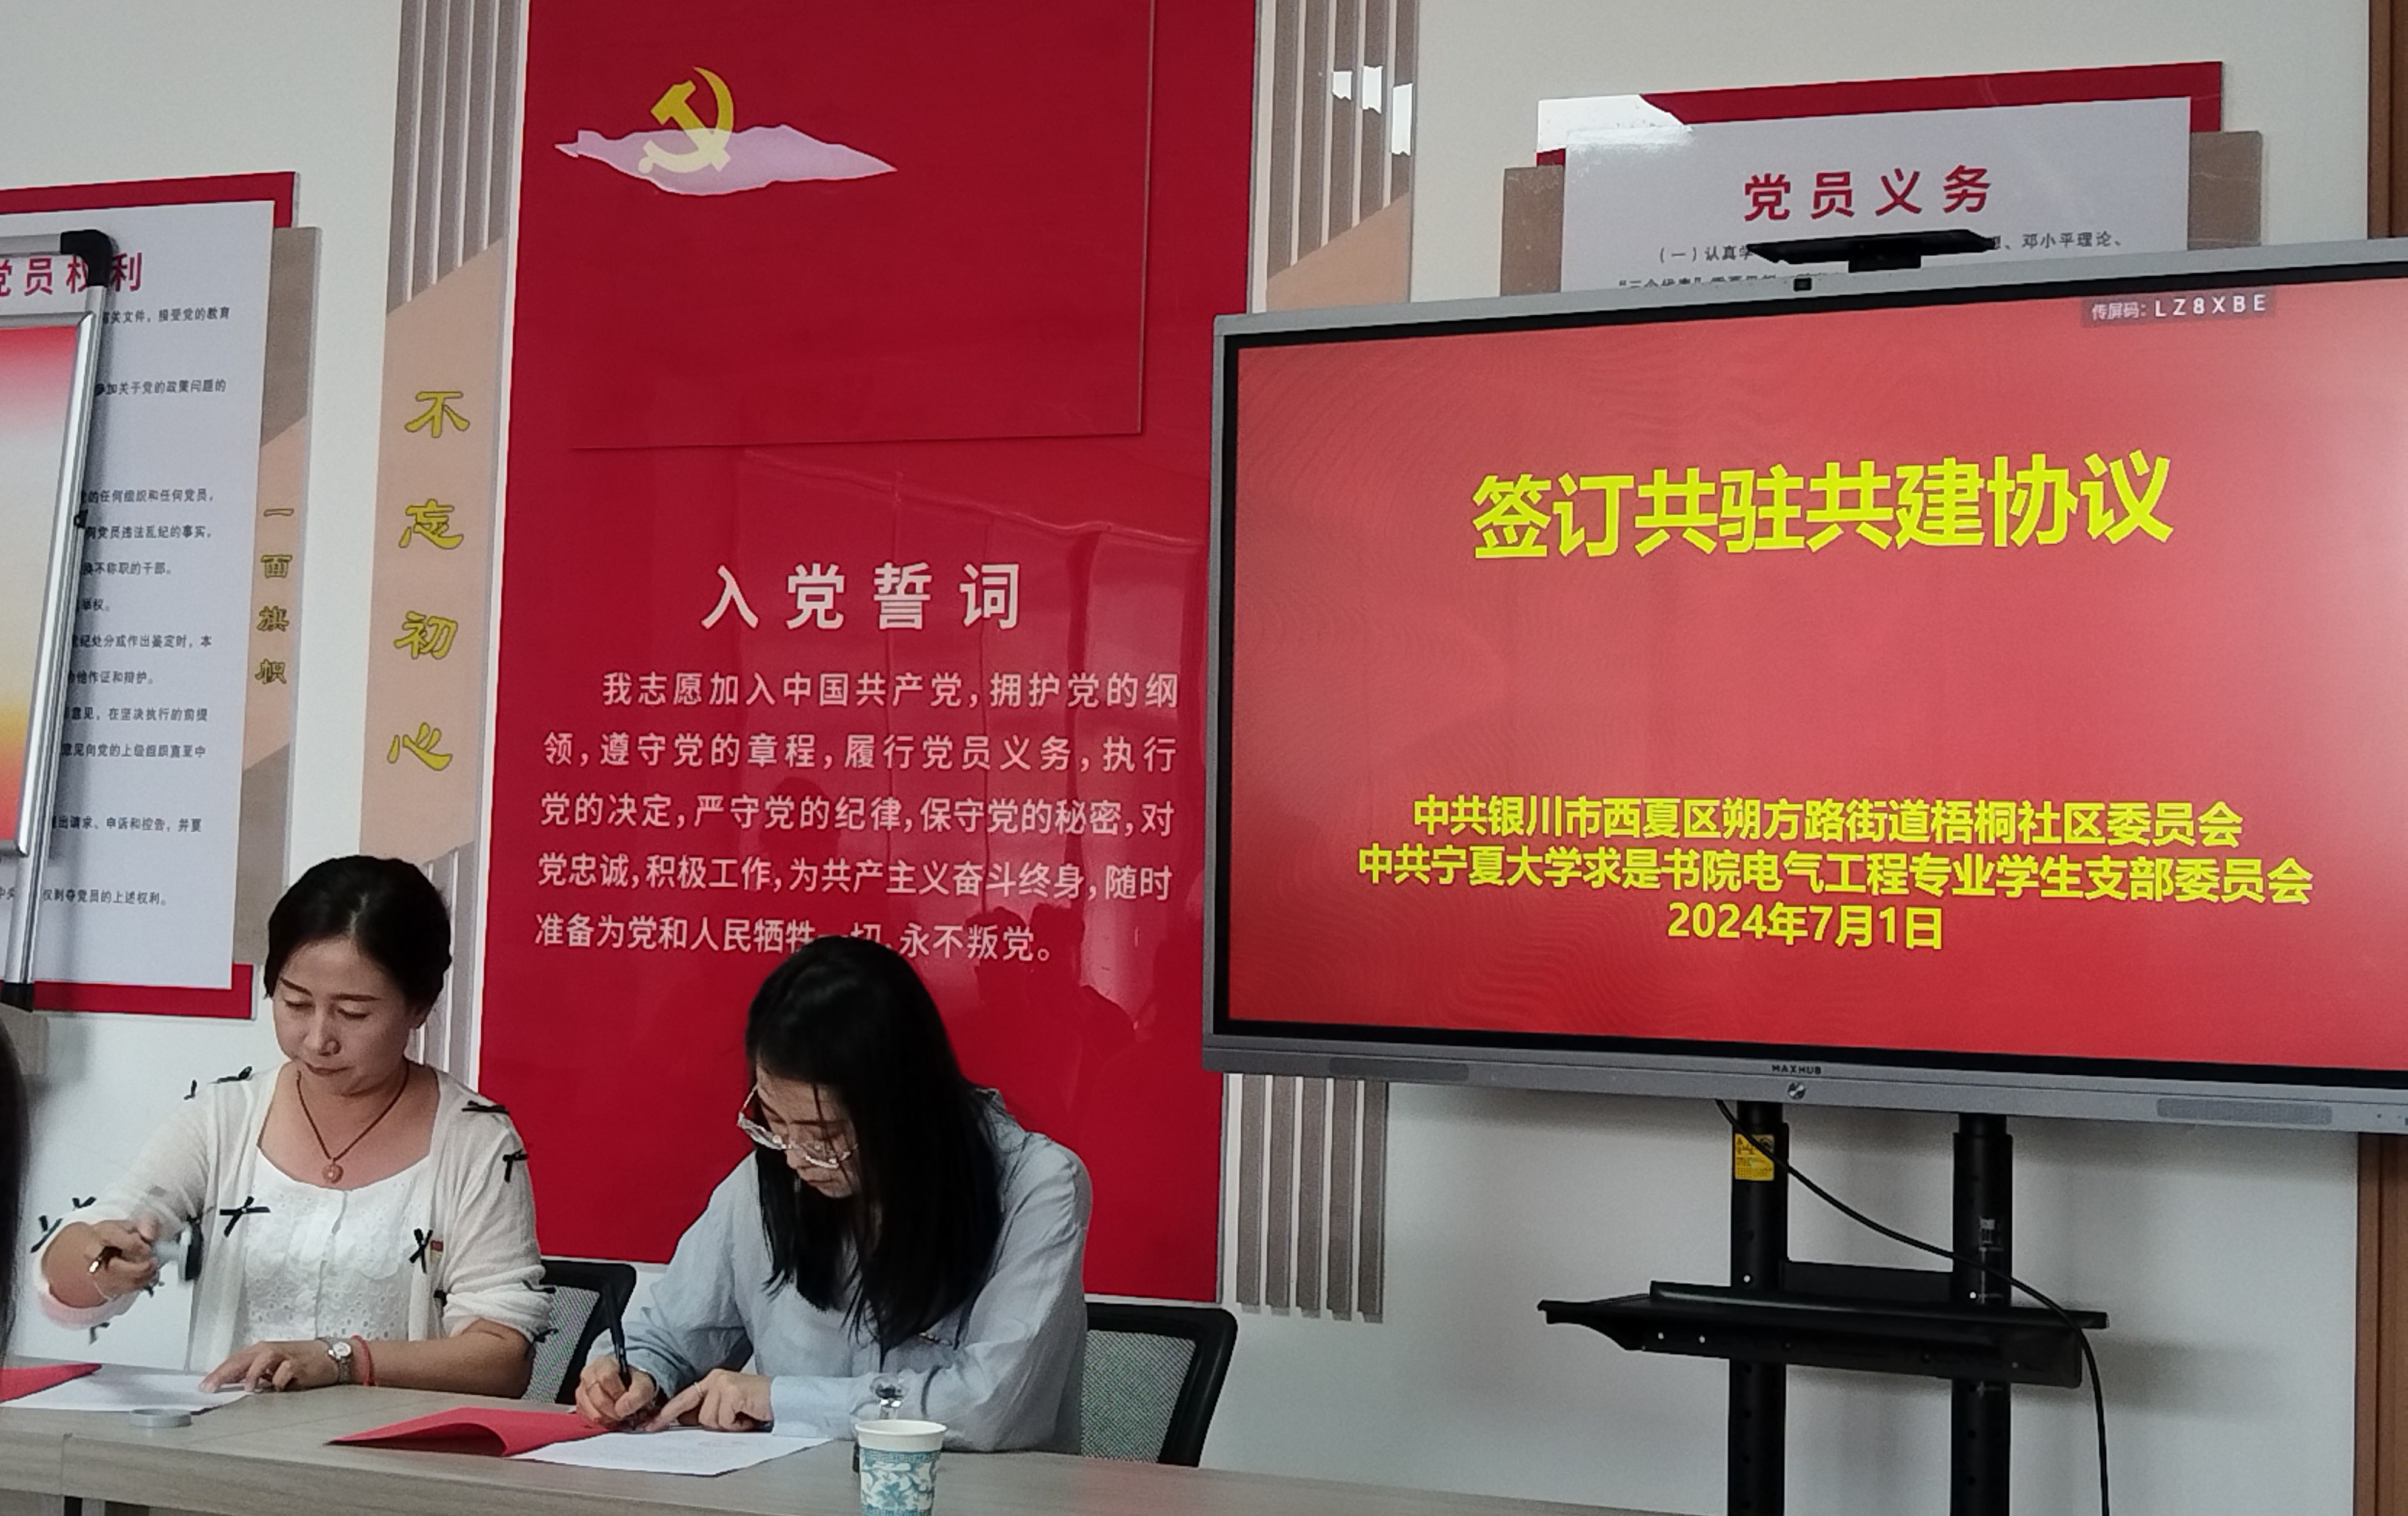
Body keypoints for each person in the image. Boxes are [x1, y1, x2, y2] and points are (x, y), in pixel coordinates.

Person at [39, 856, 546, 1394]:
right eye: (296, 1003)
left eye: (353, 1013)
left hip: (392, 1446)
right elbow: (68, 1272)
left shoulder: (474, 1140)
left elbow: (503, 1357)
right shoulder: (224, 1118)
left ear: (418, 1006)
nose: (318, 1038)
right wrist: (100, 1260)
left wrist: (343, 1360)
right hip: (225, 1438)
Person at [575, 935, 1090, 1449]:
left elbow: (988, 1407)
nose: (795, 1158)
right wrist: (634, 1373)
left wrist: (780, 1399)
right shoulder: (767, 1179)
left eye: (824, 1136)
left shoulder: (1037, 1186)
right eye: (775, 1123)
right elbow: (668, 1333)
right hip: (789, 1488)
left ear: (903, 1110)